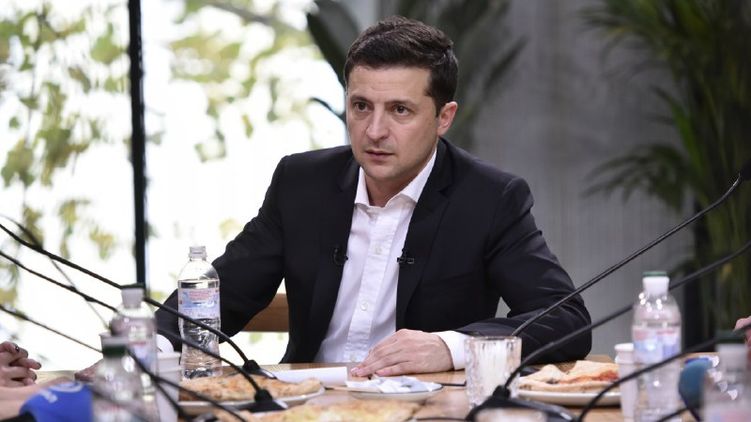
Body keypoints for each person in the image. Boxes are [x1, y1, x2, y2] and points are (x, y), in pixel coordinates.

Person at [156, 16, 591, 376]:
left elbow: (566, 319)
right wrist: (149, 347)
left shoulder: (489, 198)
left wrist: (448, 347)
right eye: (361, 106)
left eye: (400, 110)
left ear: (444, 118)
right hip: (309, 406)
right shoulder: (301, 183)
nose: (375, 131)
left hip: (428, 409)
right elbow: (223, 296)